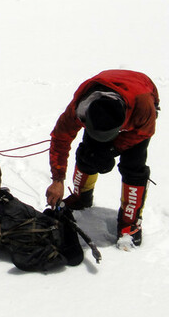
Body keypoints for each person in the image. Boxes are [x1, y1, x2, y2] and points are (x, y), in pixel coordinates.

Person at [45, 69, 159, 249]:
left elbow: (145, 131)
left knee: (133, 168)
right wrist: (57, 179)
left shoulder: (143, 107)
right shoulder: (79, 107)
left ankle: (130, 222)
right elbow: (60, 137)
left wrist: (113, 149)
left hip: (137, 103)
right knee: (87, 155)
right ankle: (81, 198)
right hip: (108, 98)